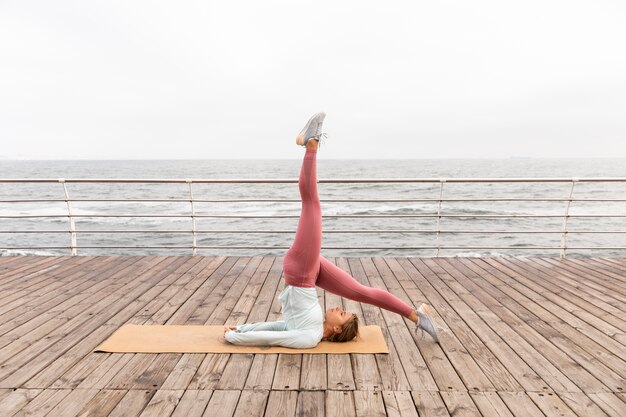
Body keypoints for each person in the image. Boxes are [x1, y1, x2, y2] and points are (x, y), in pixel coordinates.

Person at [224, 113, 439, 348]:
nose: (339, 308)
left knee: (311, 203)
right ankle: (417, 317)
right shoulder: (312, 329)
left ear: (336, 329)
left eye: (342, 314)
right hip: (307, 272)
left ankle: (312, 144)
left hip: (301, 271)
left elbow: (275, 335)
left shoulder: (309, 337)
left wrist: (236, 336)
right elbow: (278, 326)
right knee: (362, 292)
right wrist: (243, 328)